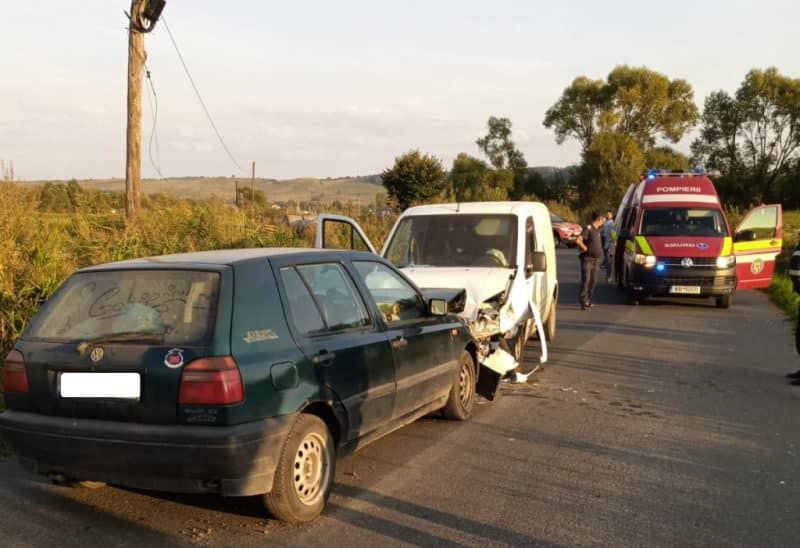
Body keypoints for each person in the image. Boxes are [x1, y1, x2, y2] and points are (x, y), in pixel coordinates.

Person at [576, 212, 605, 310]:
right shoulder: (588, 228)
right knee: (586, 280)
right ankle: (583, 301)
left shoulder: (598, 230)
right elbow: (578, 240)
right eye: (603, 219)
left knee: (593, 281)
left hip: (596, 260)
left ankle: (588, 300)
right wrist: (584, 248)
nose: (603, 221)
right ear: (599, 219)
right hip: (587, 259)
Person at [600, 210, 615, 283]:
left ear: (612, 215)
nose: (608, 215)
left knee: (609, 262)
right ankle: (607, 277)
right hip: (606, 243)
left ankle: (608, 277)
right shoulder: (605, 223)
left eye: (609, 214)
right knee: (608, 261)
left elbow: (614, 236)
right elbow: (602, 232)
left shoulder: (612, 224)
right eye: (607, 214)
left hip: (610, 244)